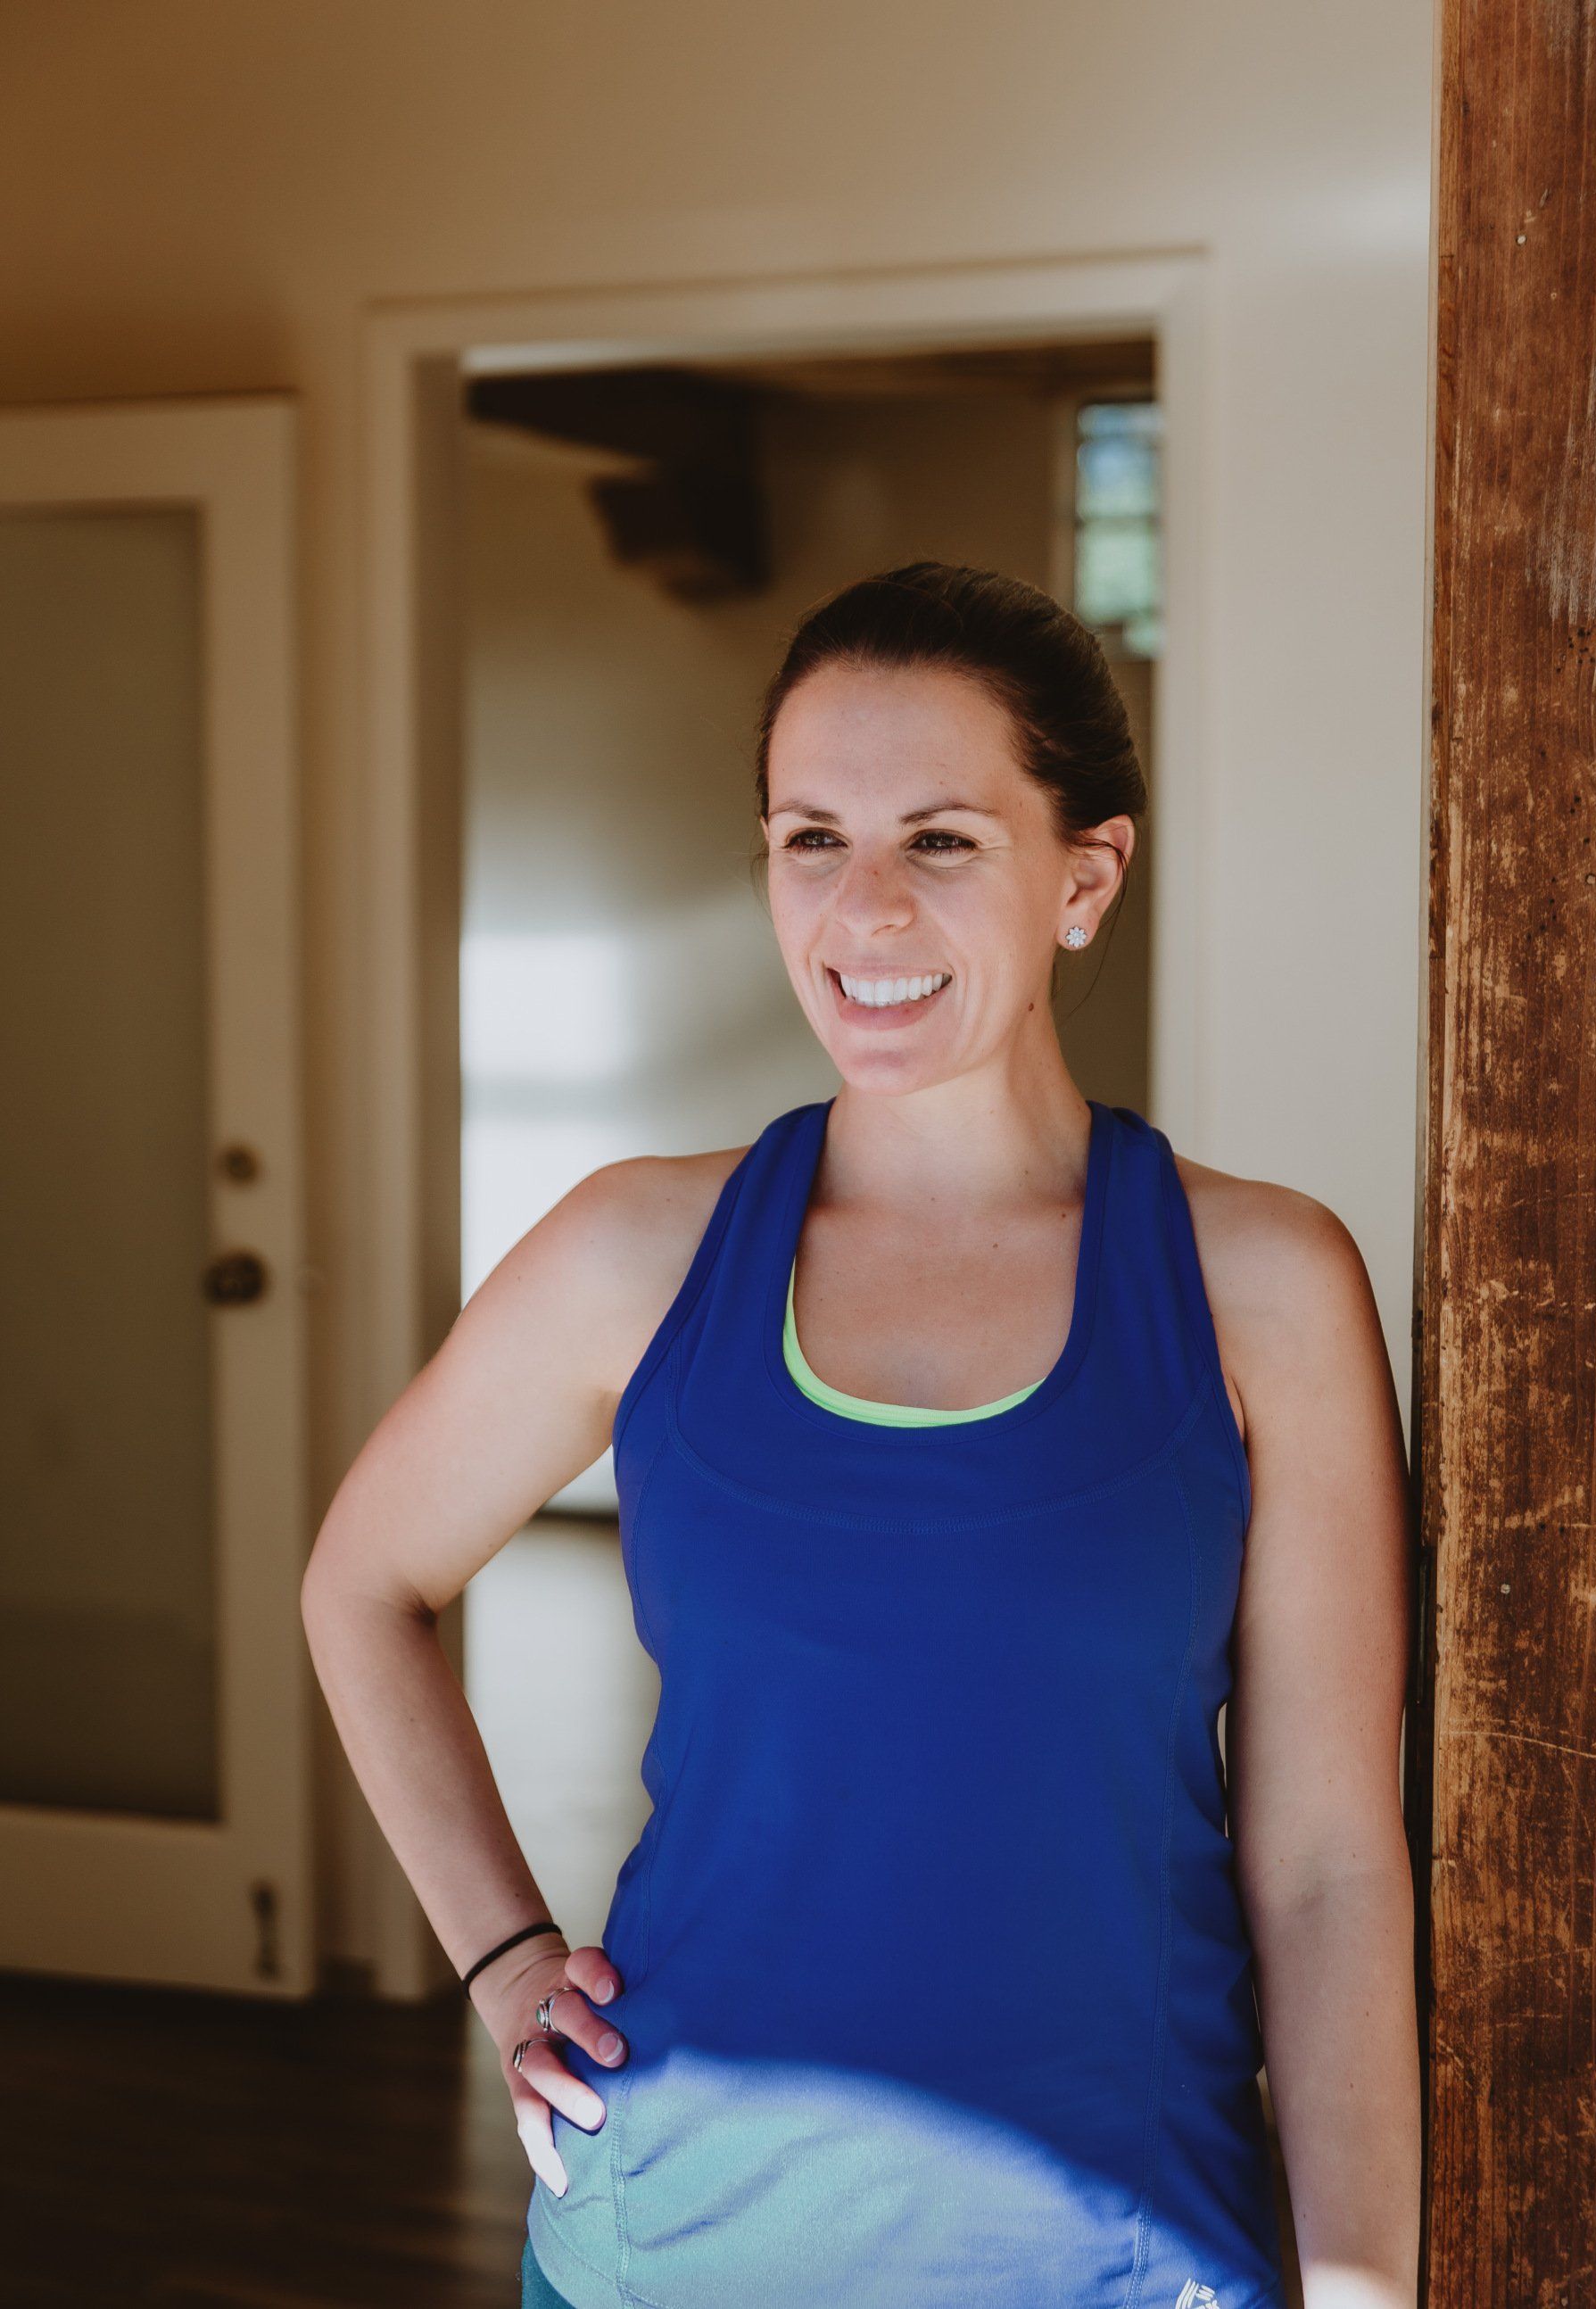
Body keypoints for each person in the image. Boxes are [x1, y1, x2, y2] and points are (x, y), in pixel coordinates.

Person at [301, 562, 1419, 2309]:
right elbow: (361, 1583)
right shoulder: (634, 1252)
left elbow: (1333, 1868)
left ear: (1085, 878)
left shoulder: (1261, 1283)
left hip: (1121, 2263)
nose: (864, 907)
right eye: (811, 838)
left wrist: (1364, 2288)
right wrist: (509, 1959)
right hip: (662, 2249)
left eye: (942, 841)